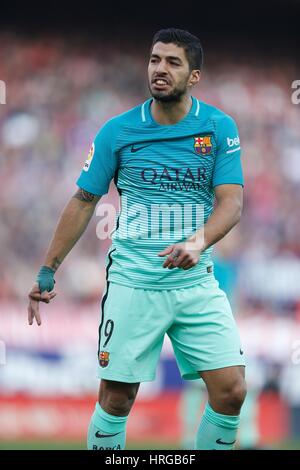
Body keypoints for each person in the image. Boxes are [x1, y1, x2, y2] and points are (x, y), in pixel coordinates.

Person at [28, 28, 246, 450]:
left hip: (196, 283)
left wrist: (197, 243)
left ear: (194, 76)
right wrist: (47, 270)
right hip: (133, 284)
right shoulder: (118, 131)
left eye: (173, 62)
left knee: (232, 390)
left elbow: (231, 204)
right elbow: (83, 200)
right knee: (116, 398)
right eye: (154, 60)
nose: (160, 69)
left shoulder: (219, 127)